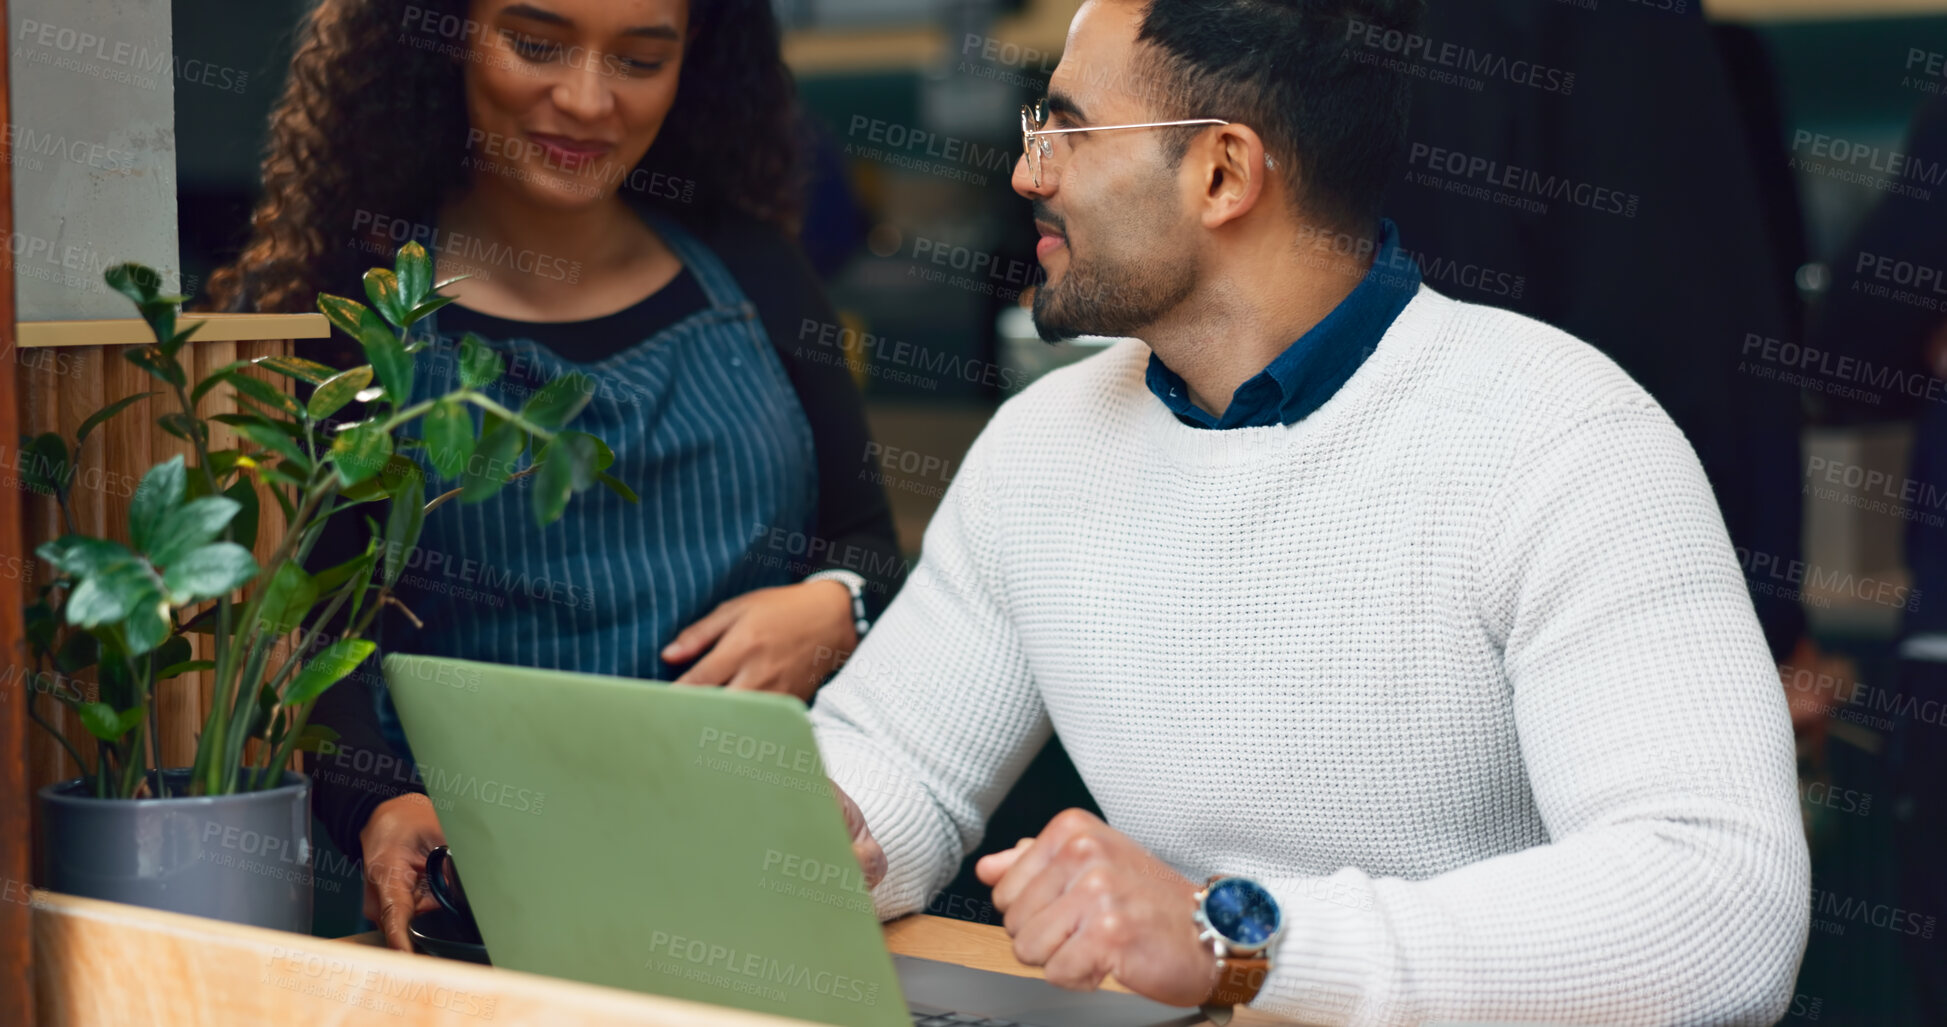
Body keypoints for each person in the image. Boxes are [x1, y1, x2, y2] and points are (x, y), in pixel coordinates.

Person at [813, 0, 1809, 1022]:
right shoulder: (1042, 443)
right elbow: (901, 765)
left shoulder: (1567, 439)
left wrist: (1234, 935)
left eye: (1066, 129)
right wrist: (810, 836)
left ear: (1222, 174)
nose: (1029, 175)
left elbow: (1718, 908)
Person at [205, 0, 903, 950]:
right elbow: (307, 631)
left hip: (743, 889)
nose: (584, 100)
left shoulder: (753, 268)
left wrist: (836, 605)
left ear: (690, 66)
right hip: (477, 899)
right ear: (445, 35)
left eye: (640, 60)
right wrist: (374, 805)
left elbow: (867, 542)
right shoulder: (347, 304)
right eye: (535, 44)